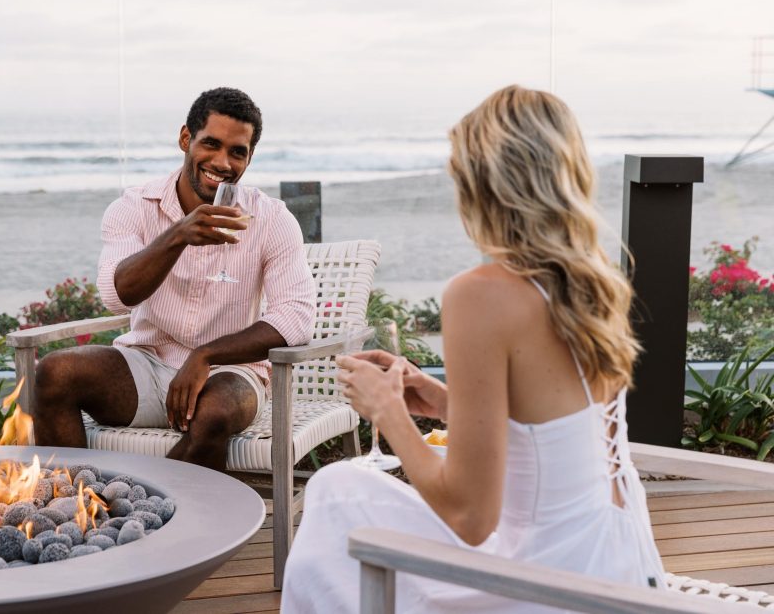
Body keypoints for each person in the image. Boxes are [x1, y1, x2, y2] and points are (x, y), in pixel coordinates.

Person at [281, 85, 666, 612]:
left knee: (336, 493)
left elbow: (469, 516)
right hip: (622, 565)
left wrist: (387, 410)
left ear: (485, 186)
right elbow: (555, 431)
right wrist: (442, 401)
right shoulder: (594, 282)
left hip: (549, 581)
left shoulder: (480, 295)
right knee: (340, 487)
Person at [33, 87, 316, 470]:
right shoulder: (133, 208)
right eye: (211, 144)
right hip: (145, 364)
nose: (222, 162)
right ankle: (76, 506)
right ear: (186, 138)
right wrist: (178, 235)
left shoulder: (272, 219)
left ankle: (152, 509)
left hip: (231, 373)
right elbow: (116, 296)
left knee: (214, 413)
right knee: (55, 372)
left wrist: (206, 355)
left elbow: (296, 319)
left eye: (238, 152)